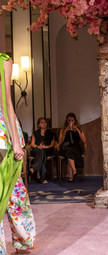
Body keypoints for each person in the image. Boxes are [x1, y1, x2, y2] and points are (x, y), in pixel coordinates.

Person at [0, 54, 36, 253]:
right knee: (12, 191)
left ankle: (23, 238)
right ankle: (22, 239)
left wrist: (15, 141)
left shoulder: (3, 60)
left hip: (3, 134)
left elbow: (6, 102)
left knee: (13, 189)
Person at [59, 112, 86, 182]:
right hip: (65, 147)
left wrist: (77, 130)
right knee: (68, 151)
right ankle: (74, 171)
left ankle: (71, 176)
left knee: (69, 154)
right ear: (66, 121)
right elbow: (60, 142)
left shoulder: (79, 129)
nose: (70, 122)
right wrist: (65, 131)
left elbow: (84, 140)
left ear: (75, 121)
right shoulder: (63, 129)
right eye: (69, 120)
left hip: (75, 148)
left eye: (72, 120)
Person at [30, 117, 55, 184]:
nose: (43, 124)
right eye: (41, 122)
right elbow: (32, 144)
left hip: (47, 150)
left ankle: (33, 168)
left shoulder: (51, 133)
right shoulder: (35, 133)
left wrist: (45, 147)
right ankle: (43, 179)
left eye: (44, 122)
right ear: (38, 125)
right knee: (41, 153)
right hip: (37, 150)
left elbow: (52, 145)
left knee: (43, 153)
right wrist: (38, 146)